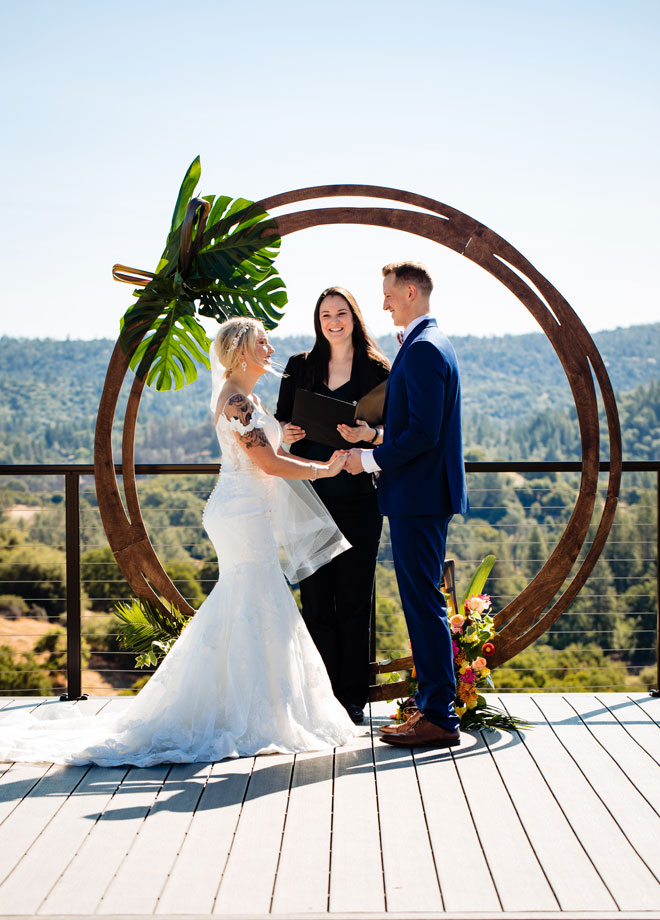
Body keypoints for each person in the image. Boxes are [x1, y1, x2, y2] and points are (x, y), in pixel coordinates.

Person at [0, 318, 356, 765]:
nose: (271, 348)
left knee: (250, 601)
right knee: (257, 597)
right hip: (241, 514)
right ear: (242, 351)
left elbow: (273, 450)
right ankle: (249, 712)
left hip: (250, 512)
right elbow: (266, 462)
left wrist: (304, 449)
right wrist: (326, 470)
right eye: (263, 342)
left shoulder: (250, 399)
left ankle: (250, 707)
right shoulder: (238, 400)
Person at [345, 262, 469, 747]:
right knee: (423, 603)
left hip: (418, 497)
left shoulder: (420, 351)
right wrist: (374, 436)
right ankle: (433, 707)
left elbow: (422, 434)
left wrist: (370, 459)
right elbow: (416, 427)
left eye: (389, 294)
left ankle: (439, 716)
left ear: (411, 292)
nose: (383, 304)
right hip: (421, 495)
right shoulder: (430, 345)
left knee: (423, 605)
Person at [275, 287, 390, 724]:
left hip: (360, 498)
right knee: (317, 602)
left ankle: (353, 699)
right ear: (317, 320)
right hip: (309, 497)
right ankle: (320, 698)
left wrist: (367, 436)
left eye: (341, 313)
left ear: (354, 318)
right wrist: (286, 433)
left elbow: (392, 431)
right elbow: (282, 421)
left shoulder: (378, 370)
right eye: (325, 314)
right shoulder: (298, 367)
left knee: (356, 601)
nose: (333, 321)